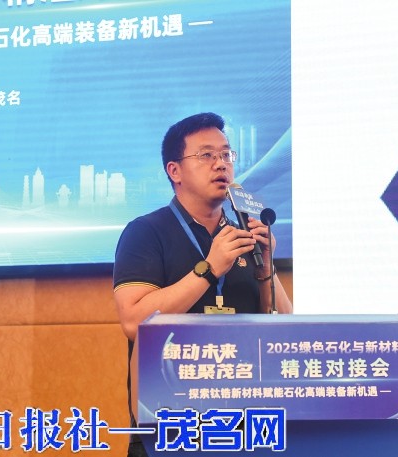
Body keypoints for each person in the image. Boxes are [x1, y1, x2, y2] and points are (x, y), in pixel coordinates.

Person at [112, 112, 293, 457]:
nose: (221, 164)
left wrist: (266, 267)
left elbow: (282, 331)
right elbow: (134, 321)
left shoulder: (245, 235)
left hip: (242, 428)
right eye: (206, 155)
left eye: (226, 154)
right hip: (169, 429)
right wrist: (209, 269)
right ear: (175, 171)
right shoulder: (146, 232)